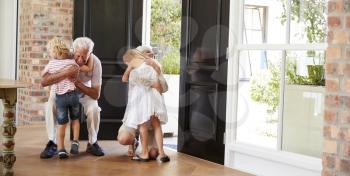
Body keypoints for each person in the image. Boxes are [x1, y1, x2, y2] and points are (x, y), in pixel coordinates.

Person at [40, 37, 105, 158]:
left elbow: (96, 94)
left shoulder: (96, 63)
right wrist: (66, 73)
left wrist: (76, 83)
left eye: (84, 57)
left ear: (90, 54)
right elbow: (44, 81)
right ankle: (53, 143)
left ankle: (92, 142)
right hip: (62, 91)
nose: (80, 60)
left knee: (94, 109)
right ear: (73, 50)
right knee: (50, 105)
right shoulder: (63, 55)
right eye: (78, 55)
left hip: (82, 92)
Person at [121, 48, 170, 162]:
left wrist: (129, 69)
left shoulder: (133, 66)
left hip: (141, 100)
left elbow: (124, 78)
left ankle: (144, 154)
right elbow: (159, 87)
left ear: (130, 59)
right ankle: (162, 154)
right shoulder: (153, 65)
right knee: (157, 125)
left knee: (143, 126)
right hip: (154, 99)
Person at [41, 37, 80, 159]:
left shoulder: (52, 63)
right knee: (75, 119)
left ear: (55, 51)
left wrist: (54, 73)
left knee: (62, 123)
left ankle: (61, 148)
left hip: (61, 96)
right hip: (73, 94)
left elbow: (43, 77)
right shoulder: (73, 62)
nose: (50, 54)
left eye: (50, 52)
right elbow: (76, 74)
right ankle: (75, 141)